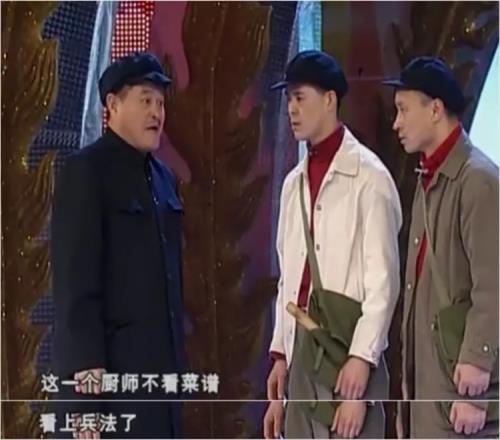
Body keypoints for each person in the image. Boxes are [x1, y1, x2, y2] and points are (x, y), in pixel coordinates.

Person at [263, 50, 402, 439]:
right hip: (300, 357)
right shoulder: (293, 184)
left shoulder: (370, 178)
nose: (291, 109)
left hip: (345, 356)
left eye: (300, 97)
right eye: (288, 99)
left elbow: (383, 284)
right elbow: (289, 279)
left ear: (329, 100)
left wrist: (362, 360)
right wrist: (280, 355)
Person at [51, 52, 185, 439]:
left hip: (159, 387)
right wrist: (84, 401)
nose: (156, 113)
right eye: (145, 100)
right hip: (109, 389)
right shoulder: (86, 172)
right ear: (112, 104)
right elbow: (76, 291)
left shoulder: (164, 179)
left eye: (160, 103)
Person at [383, 56, 499, 438]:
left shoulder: (478, 180)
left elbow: (493, 285)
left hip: (463, 393)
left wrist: (478, 378)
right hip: (432, 390)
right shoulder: (429, 177)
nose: (396, 123)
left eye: (403, 110)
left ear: (435, 109)